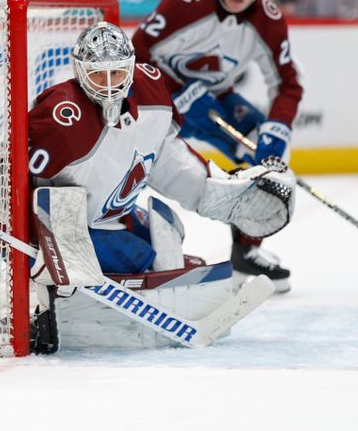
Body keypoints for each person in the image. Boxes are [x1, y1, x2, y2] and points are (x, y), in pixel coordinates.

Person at [27, 22, 295, 351]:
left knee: (168, 234)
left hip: (110, 216)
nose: (110, 86)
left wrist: (224, 195)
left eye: (117, 74)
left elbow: (166, 157)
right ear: (79, 71)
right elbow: (6, 179)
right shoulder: (60, 118)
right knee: (142, 256)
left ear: (131, 67)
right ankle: (57, 305)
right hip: (58, 231)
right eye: (98, 75)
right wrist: (44, 245)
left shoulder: (150, 89)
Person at [131, 0, 303, 293]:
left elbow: (289, 85)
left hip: (215, 97)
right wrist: (176, 92)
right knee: (136, 156)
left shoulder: (269, 21)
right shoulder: (186, 2)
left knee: (263, 149)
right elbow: (137, 52)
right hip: (160, 93)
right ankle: (124, 232)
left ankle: (246, 251)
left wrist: (274, 132)